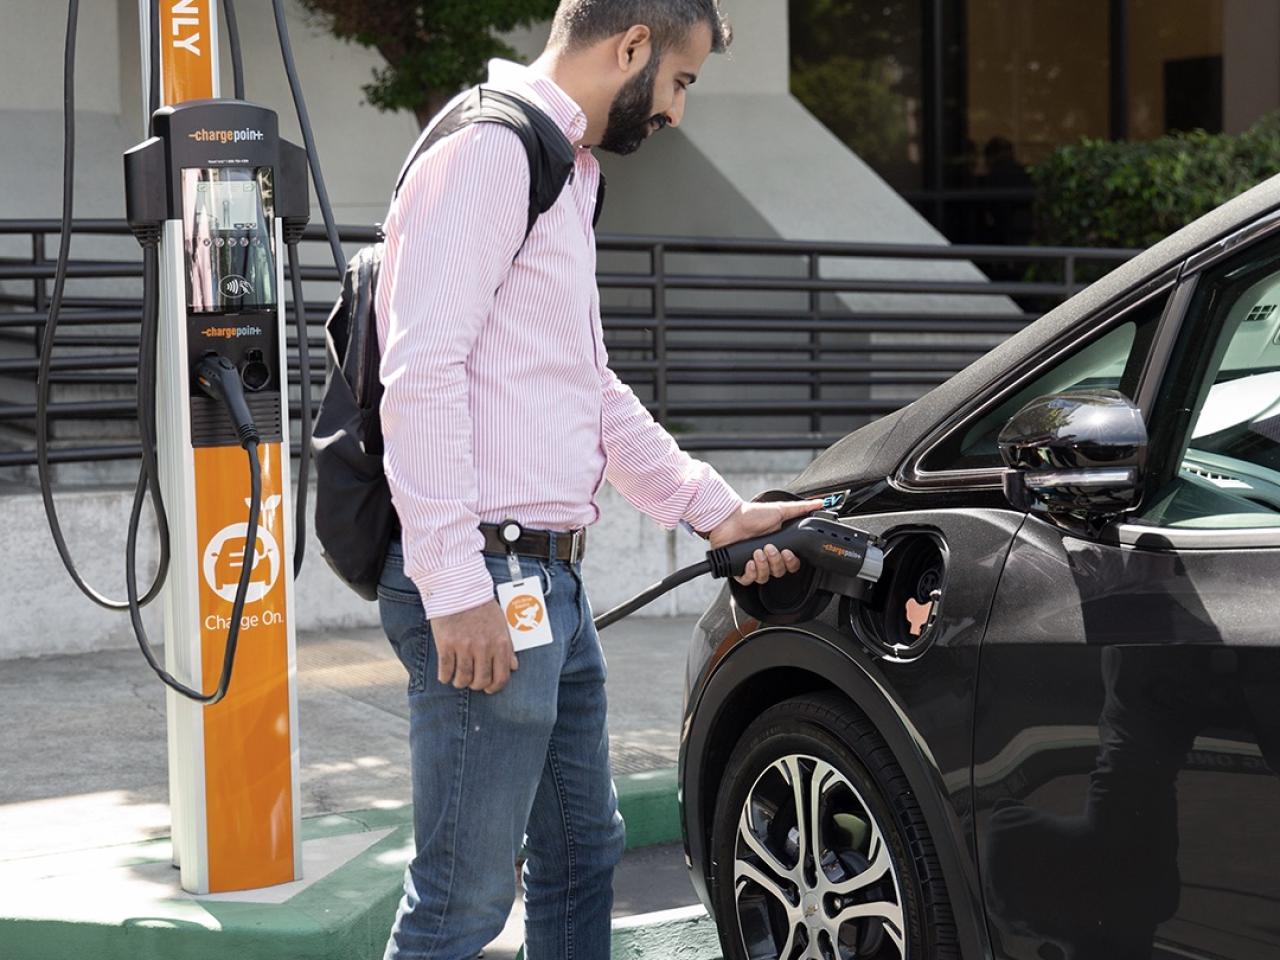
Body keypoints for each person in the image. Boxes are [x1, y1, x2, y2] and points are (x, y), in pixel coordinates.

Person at [375, 2, 823, 957]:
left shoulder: (563, 170)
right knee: (461, 900)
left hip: (548, 589)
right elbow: (420, 375)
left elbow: (587, 388)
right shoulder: (492, 151)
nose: (677, 111)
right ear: (630, 47)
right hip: (487, 584)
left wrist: (717, 513)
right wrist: (454, 590)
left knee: (584, 852)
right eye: (679, 81)